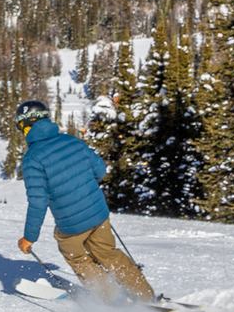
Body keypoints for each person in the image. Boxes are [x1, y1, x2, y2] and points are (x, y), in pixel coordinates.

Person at [14, 99, 154, 301]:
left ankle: (111, 299)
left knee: (77, 256)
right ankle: (146, 297)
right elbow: (100, 170)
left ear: (25, 127)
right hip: (98, 214)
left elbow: (38, 202)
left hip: (71, 225)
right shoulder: (72, 141)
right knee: (108, 253)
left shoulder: (32, 159)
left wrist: (29, 237)